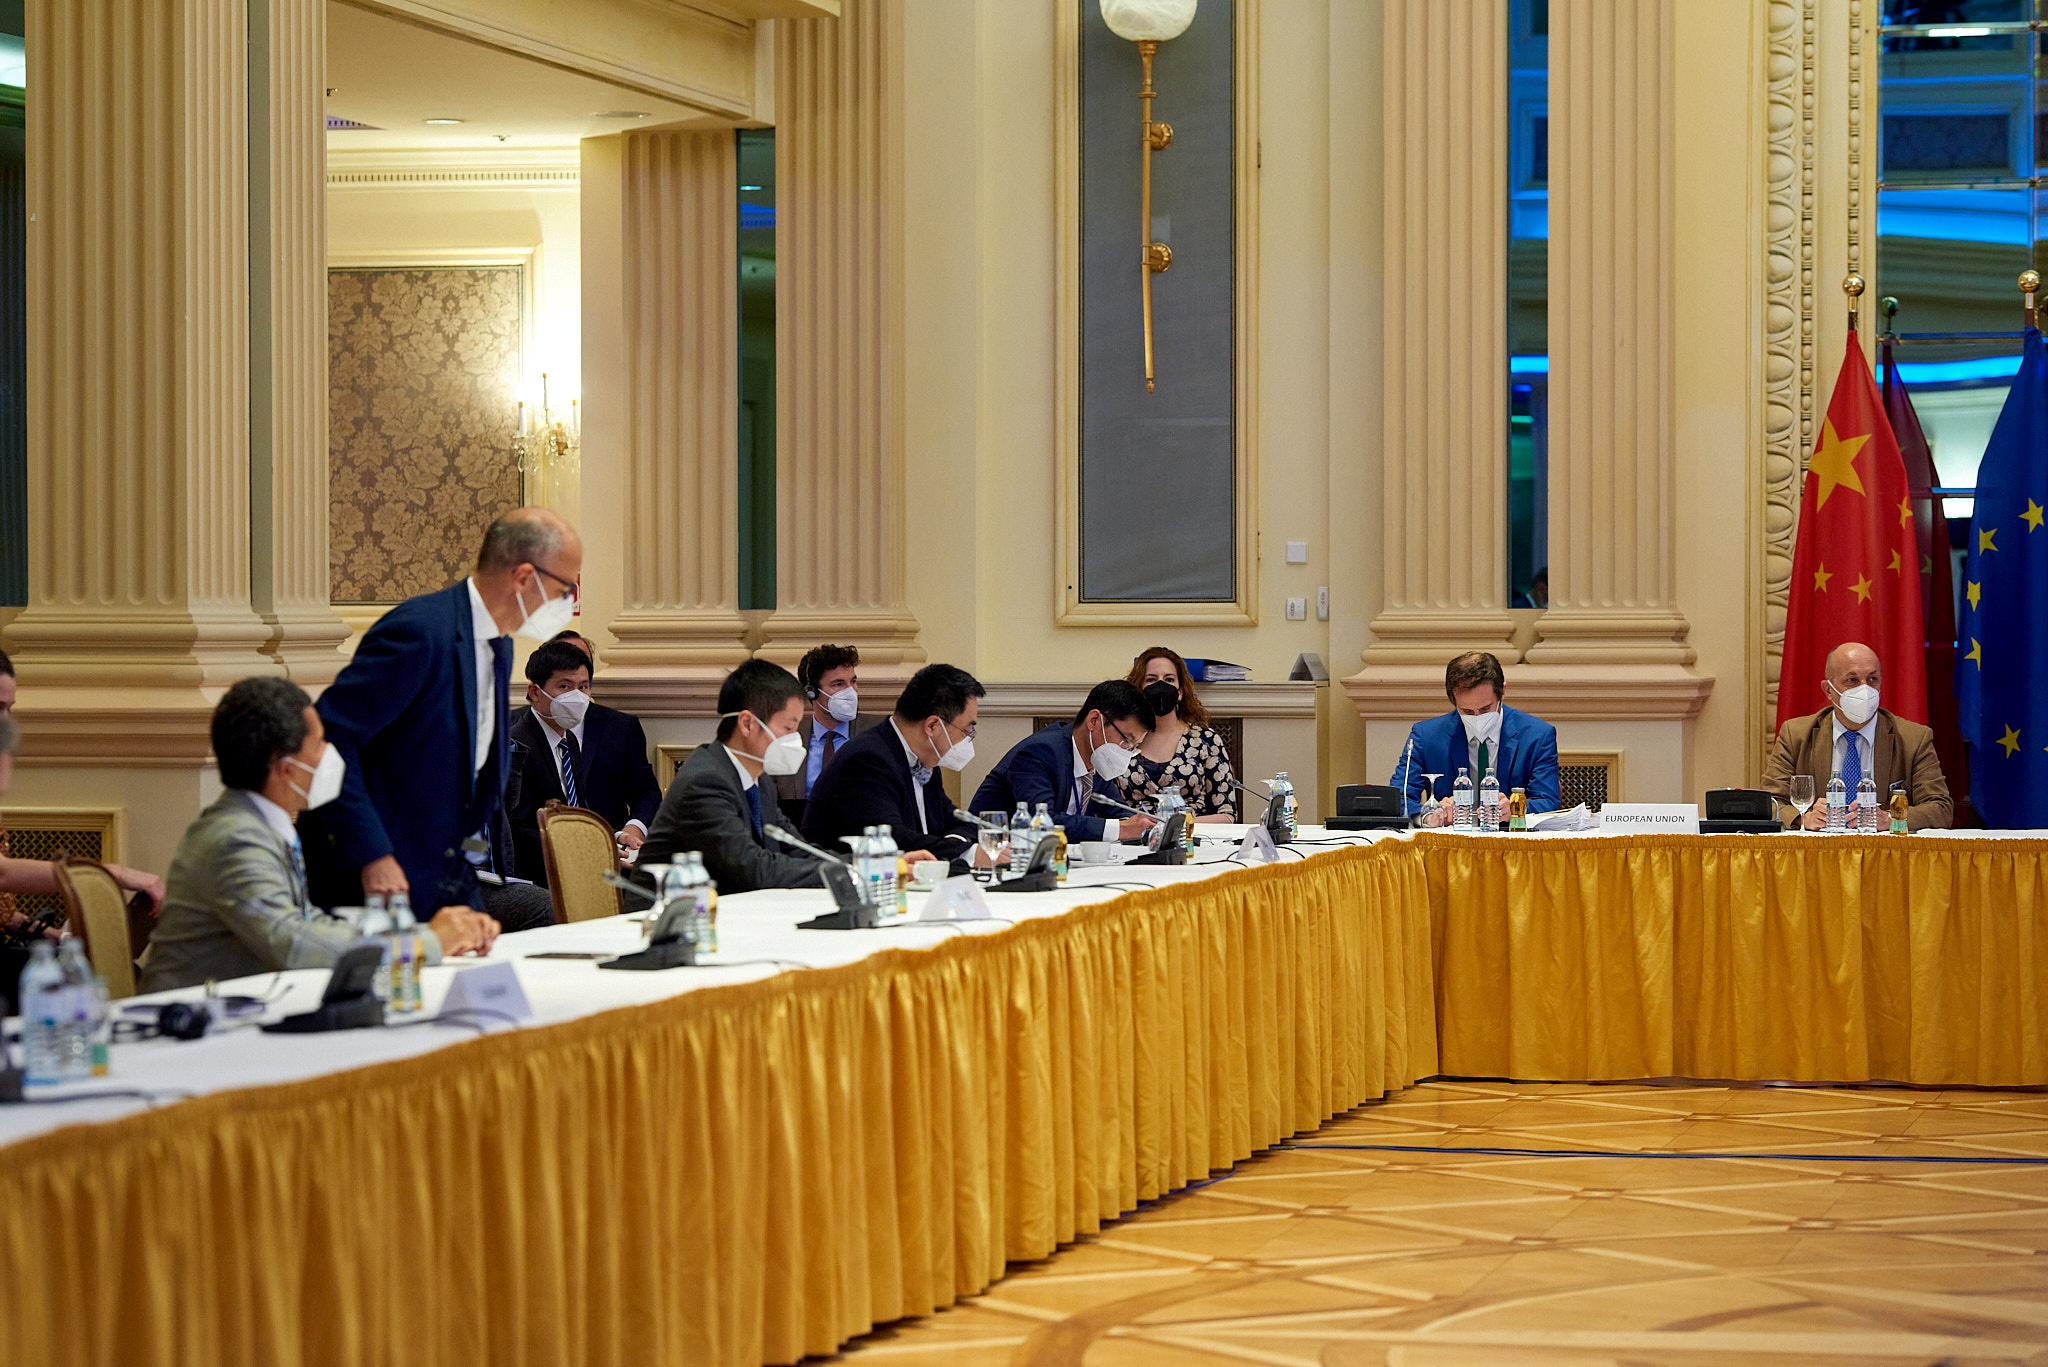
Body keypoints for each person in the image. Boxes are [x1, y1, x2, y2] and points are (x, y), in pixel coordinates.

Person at [301, 507, 583, 916]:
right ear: (523, 577)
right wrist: (372, 856)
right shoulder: (419, 632)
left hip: (450, 876)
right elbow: (331, 740)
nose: (567, 603)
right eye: (563, 591)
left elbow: (478, 775)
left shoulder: (499, 644)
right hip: (382, 876)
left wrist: (471, 863)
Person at [140, 678, 496, 993]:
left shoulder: (255, 824)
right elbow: (292, 941)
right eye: (321, 742)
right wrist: (426, 943)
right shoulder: (236, 839)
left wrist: (420, 934)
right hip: (184, 1026)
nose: (330, 754)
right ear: (286, 770)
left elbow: (309, 922)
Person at [637, 660, 824, 892]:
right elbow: (754, 869)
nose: (795, 739)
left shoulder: (760, 780)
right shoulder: (705, 781)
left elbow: (794, 847)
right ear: (747, 724)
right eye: (788, 728)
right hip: (667, 919)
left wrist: (852, 865)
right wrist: (836, 872)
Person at [504, 640, 663, 883]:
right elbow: (515, 831)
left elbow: (580, 812)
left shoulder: (569, 740)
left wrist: (615, 835)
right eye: (565, 686)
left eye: (583, 687)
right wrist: (590, 848)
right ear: (535, 692)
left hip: (593, 869)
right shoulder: (515, 745)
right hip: (542, 878)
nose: (576, 697)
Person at [802, 664, 983, 864]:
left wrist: (956, 843)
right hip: (843, 887)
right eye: (967, 730)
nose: (968, 738)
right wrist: (968, 853)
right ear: (932, 726)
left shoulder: (925, 759)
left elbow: (958, 821)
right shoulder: (867, 759)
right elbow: (891, 840)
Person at [1763, 640, 1952, 831]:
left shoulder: (1914, 738)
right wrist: (1803, 818)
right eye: (1852, 680)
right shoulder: (1796, 735)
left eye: (1872, 679)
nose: (1865, 689)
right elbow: (1768, 802)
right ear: (1829, 690)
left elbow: (1941, 808)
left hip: (1884, 854)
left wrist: (1892, 818)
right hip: (1818, 851)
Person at [971, 680, 1157, 842]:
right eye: (1126, 740)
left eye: (1134, 746)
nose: (1126, 751)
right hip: (992, 858)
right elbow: (1042, 824)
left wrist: (1147, 826)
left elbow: (1118, 812)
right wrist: (1120, 829)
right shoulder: (1040, 752)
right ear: (1094, 720)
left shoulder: (1099, 758)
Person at [1393, 651, 1560, 824]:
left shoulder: (1537, 735)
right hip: (1449, 843)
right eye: (1467, 711)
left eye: (1485, 709)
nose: (1477, 718)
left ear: (1502, 691)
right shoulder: (1426, 735)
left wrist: (1514, 808)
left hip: (1510, 842)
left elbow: (1548, 800)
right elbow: (1398, 798)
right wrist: (1430, 816)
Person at [1121, 647, 1238, 822]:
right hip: (1132, 840)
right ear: (1138, 689)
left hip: (1193, 838)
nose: (1161, 686)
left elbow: (1227, 814)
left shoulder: (1206, 740)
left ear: (1180, 692)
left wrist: (1176, 825)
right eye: (1151, 680)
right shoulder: (1120, 739)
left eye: (1169, 679)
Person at [773, 643, 878, 826]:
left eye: (853, 681)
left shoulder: (879, 734)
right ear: (811, 692)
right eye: (838, 684)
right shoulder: (784, 739)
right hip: (801, 840)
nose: (851, 692)